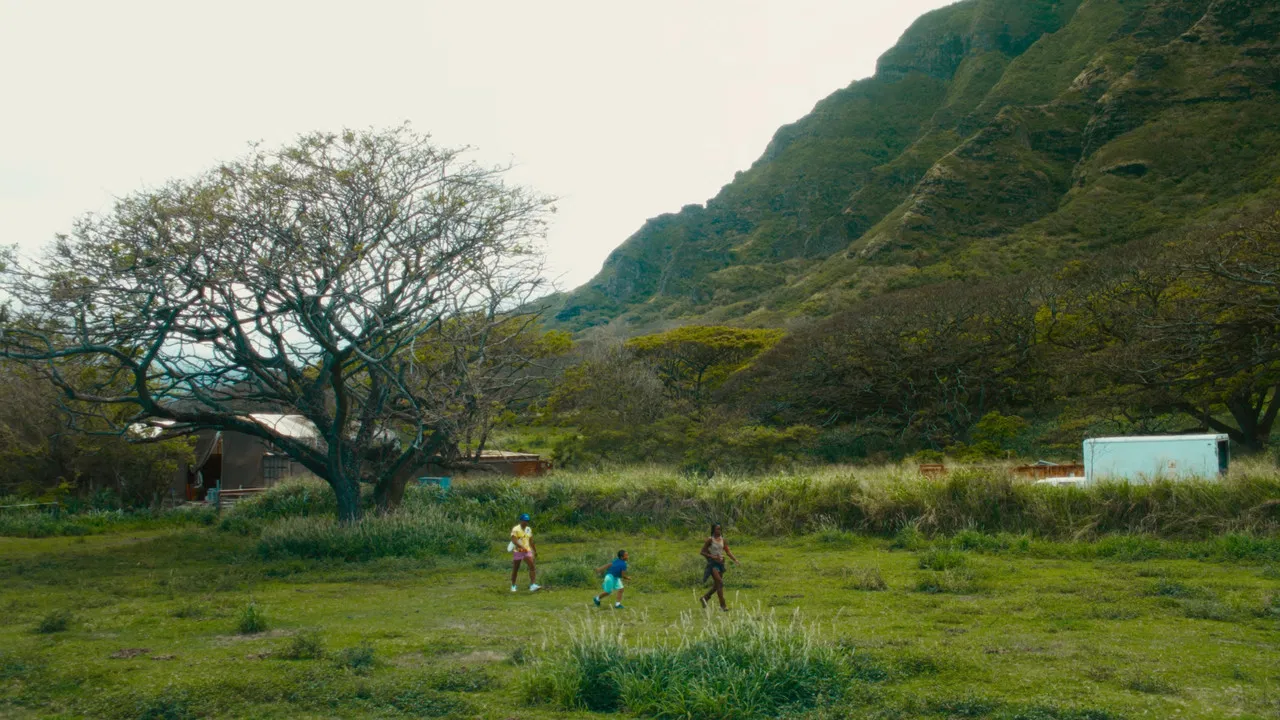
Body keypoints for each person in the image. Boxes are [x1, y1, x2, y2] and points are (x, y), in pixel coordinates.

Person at [699, 523, 738, 611]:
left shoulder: (723, 540)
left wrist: (735, 560)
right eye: (717, 529)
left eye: (720, 529)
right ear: (713, 530)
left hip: (721, 564)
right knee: (720, 582)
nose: (719, 531)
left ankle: (705, 597)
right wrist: (712, 557)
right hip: (713, 564)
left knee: (717, 585)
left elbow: (728, 552)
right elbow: (702, 552)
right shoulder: (710, 540)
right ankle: (723, 605)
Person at [510, 513, 539, 592]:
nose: (526, 522)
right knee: (516, 569)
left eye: (527, 521)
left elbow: (531, 541)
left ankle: (532, 585)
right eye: (524, 521)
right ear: (521, 521)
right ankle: (513, 586)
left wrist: (534, 550)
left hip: (527, 551)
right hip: (518, 551)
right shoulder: (516, 529)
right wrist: (522, 547)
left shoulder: (528, 529)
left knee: (532, 567)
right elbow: (514, 540)